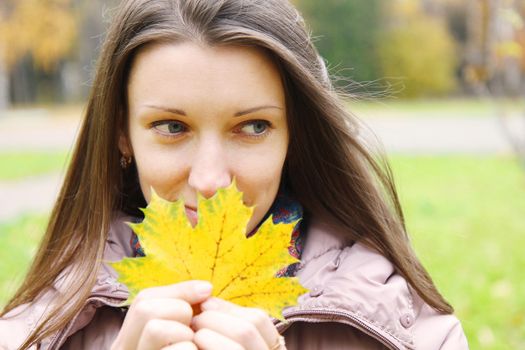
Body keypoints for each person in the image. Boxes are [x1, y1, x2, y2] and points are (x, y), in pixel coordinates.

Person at [0, 0, 469, 349]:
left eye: (253, 126)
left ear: (295, 135)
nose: (210, 180)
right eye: (171, 126)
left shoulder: (406, 332)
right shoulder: (36, 331)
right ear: (122, 134)